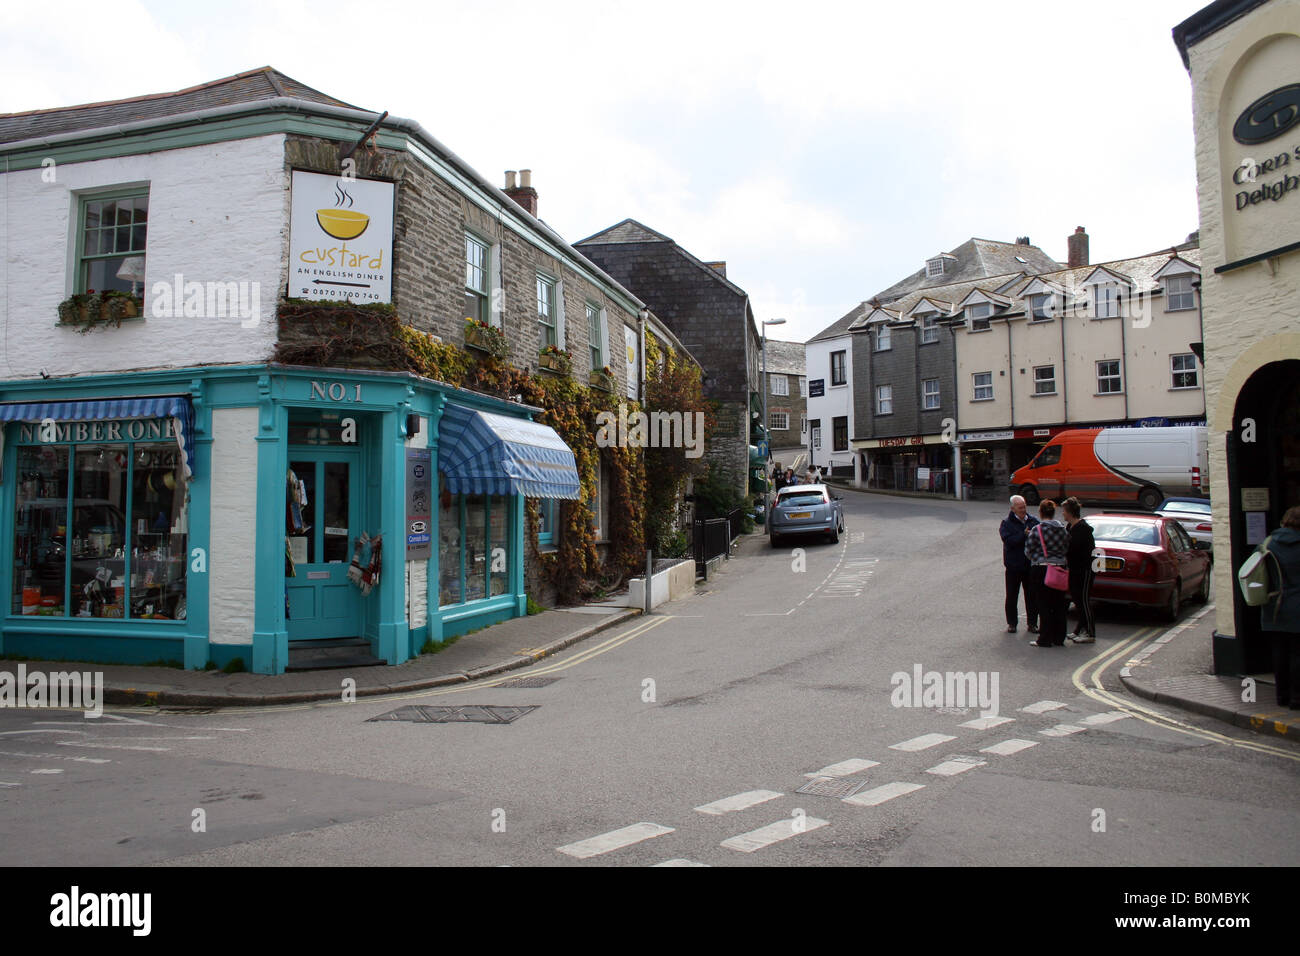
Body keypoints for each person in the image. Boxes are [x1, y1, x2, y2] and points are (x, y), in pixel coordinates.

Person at [1259, 505, 1300, 709]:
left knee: (1280, 653)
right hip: (1297, 606)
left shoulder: (1269, 543)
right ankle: (1296, 698)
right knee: (1296, 654)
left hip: (1274, 606)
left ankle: (1281, 696)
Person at [1024, 499, 1070, 647]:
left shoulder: (1037, 530)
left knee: (1043, 604)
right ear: (1054, 512)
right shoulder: (1063, 529)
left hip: (1041, 569)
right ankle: (1059, 638)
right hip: (1060, 568)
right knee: (1059, 604)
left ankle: (1044, 638)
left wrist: (1039, 557)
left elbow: (1028, 551)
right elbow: (1067, 547)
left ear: (1041, 512)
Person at [1000, 495, 1039, 634]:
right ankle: (1012, 623)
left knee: (1031, 596)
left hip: (1030, 565)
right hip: (1013, 567)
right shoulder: (1006, 523)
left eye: (1024, 507)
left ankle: (1032, 623)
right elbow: (1008, 541)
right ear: (1013, 508)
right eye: (1020, 507)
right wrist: (1024, 535)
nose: (1023, 510)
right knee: (1012, 596)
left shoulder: (1033, 521)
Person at [1062, 497, 1097, 643]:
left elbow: (1075, 550)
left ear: (1069, 512)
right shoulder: (1070, 527)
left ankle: (1090, 632)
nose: (1062, 514)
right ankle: (1079, 629)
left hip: (1085, 570)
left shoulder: (1082, 529)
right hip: (1074, 569)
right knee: (1077, 600)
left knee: (1083, 601)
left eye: (1063, 511)